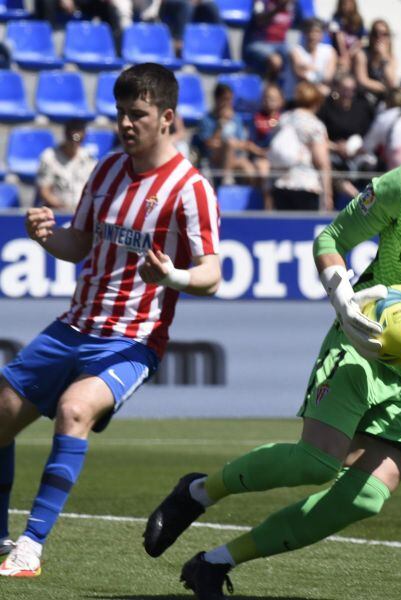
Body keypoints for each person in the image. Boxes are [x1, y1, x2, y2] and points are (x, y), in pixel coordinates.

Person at [141, 73, 401, 597]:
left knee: (365, 499)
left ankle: (216, 563)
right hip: (364, 344)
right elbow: (332, 237)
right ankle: (198, 491)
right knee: (317, 462)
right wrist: (342, 296)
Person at [0, 63, 222, 578]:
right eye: (120, 113)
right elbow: (78, 243)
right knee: (2, 414)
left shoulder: (190, 189)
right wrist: (43, 235)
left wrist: (173, 277)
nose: (125, 124)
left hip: (132, 339)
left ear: (166, 117)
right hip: (74, 324)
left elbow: (211, 275)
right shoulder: (103, 171)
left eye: (137, 115)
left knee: (75, 410)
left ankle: (31, 546)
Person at [268, 81, 333, 211]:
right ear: (316, 101)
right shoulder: (315, 125)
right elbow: (322, 162)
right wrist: (328, 194)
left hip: (281, 184)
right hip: (306, 185)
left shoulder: (284, 119)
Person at [196, 83, 260, 185]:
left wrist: (231, 145)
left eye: (230, 99)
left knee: (250, 171)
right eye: (225, 99)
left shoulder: (236, 119)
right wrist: (221, 124)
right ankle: (226, 180)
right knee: (230, 144)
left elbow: (243, 143)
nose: (229, 103)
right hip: (215, 159)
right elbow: (209, 144)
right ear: (217, 99)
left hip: (235, 157)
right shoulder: (207, 120)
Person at [35, 120, 97, 213]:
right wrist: (64, 208)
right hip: (57, 212)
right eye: (71, 137)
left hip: (83, 213)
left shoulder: (89, 157)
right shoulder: (49, 157)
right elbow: (44, 191)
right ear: (66, 135)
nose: (74, 142)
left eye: (79, 138)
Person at [241, 0, 294, 81]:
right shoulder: (261, 2)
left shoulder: (291, 6)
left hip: (281, 44)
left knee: (296, 56)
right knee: (276, 61)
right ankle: (270, 88)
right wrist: (277, 10)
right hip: (259, 43)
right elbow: (259, 20)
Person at [287, 18, 337, 98]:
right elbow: (300, 74)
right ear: (304, 33)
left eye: (317, 32)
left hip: (321, 96)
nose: (312, 35)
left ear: (322, 34)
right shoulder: (296, 50)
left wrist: (308, 69)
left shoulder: (329, 51)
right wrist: (318, 78)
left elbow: (328, 77)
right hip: (299, 97)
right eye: (309, 31)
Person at [353, 19, 398, 107]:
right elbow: (362, 81)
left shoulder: (391, 57)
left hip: (383, 98)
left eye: (384, 34)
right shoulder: (362, 54)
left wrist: (384, 57)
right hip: (363, 97)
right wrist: (385, 88)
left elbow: (391, 82)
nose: (379, 37)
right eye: (375, 33)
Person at [330, 0, 365, 73]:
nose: (346, 6)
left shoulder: (358, 20)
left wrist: (349, 55)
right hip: (339, 52)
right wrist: (344, 55)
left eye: (349, 3)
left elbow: (361, 40)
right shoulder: (336, 18)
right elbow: (337, 36)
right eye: (344, 3)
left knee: (359, 56)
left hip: (353, 51)